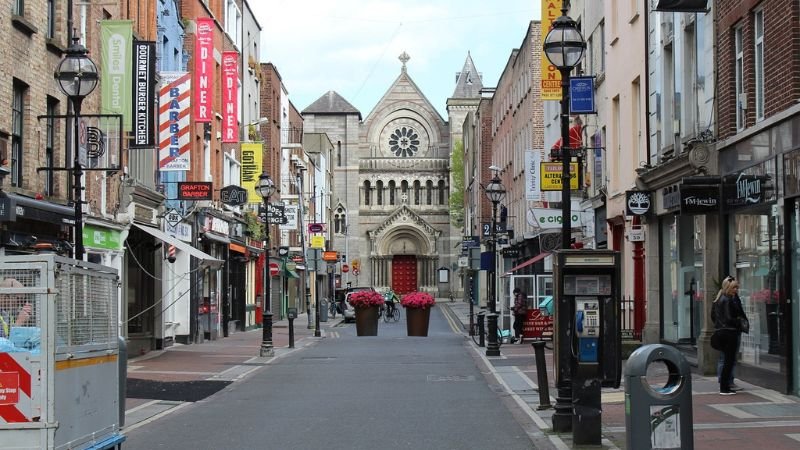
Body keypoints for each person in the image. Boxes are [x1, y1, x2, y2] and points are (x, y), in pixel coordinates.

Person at [714, 276, 748, 391]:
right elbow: (729, 318)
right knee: (728, 359)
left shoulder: (723, 299)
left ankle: (726, 382)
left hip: (725, 331)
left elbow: (715, 317)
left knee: (726, 359)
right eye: (734, 288)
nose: (736, 290)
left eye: (737, 288)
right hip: (729, 332)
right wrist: (739, 322)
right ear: (728, 287)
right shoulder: (727, 300)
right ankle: (726, 383)